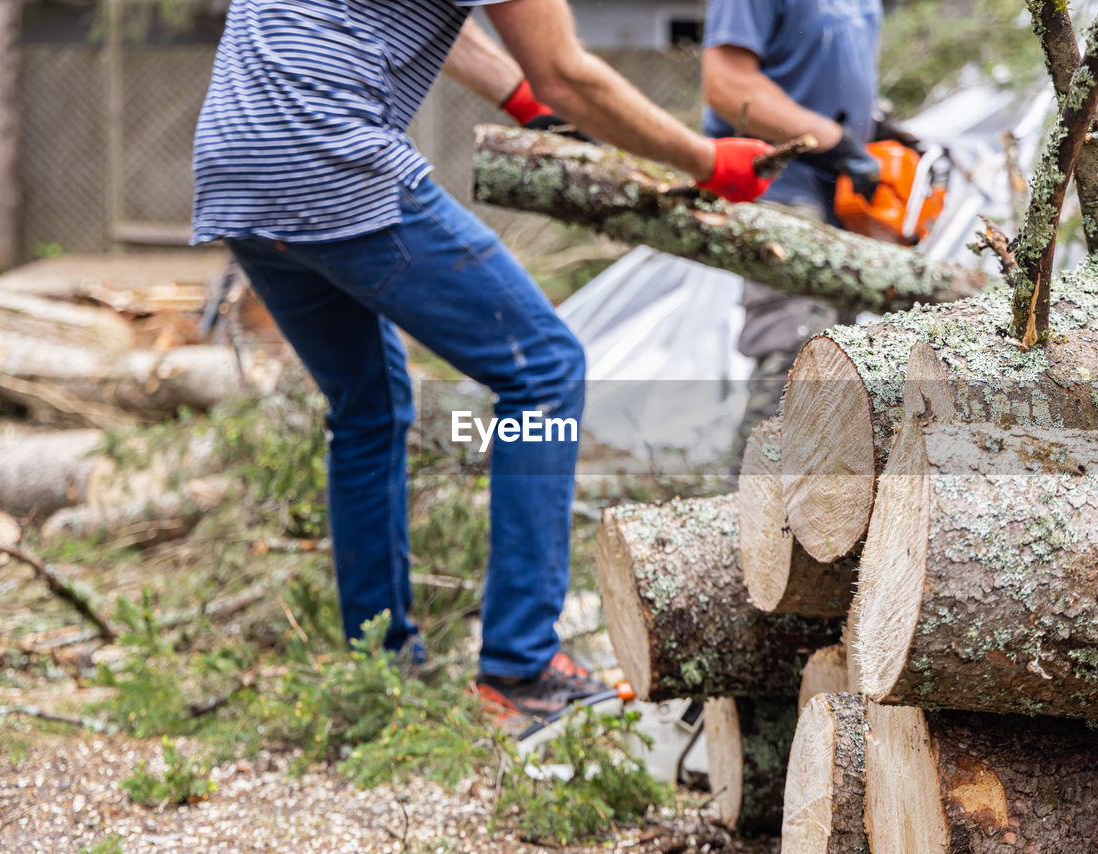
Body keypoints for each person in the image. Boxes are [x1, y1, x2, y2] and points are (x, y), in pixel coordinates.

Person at [191, 0, 776, 727]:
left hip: (234, 158)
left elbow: (470, 32)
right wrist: (707, 160)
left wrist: (517, 96)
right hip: (327, 148)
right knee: (544, 371)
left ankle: (378, 668)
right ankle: (522, 666)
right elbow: (566, 71)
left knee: (366, 407)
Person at [701, 0, 891, 461]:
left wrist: (877, 125)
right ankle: (740, 510)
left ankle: (813, 515)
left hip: (841, 193)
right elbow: (727, 84)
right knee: (794, 353)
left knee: (837, 358)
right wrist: (828, 137)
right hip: (778, 186)